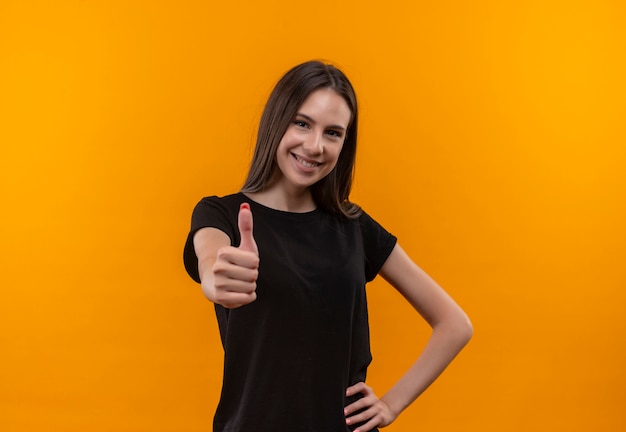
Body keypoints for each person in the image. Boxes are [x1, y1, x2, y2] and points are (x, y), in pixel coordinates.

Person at [183, 60, 473, 432]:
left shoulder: (354, 226)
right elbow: (210, 256)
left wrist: (390, 405)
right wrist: (216, 276)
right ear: (277, 121)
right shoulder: (220, 214)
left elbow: (455, 324)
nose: (315, 146)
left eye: (333, 133)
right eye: (302, 123)